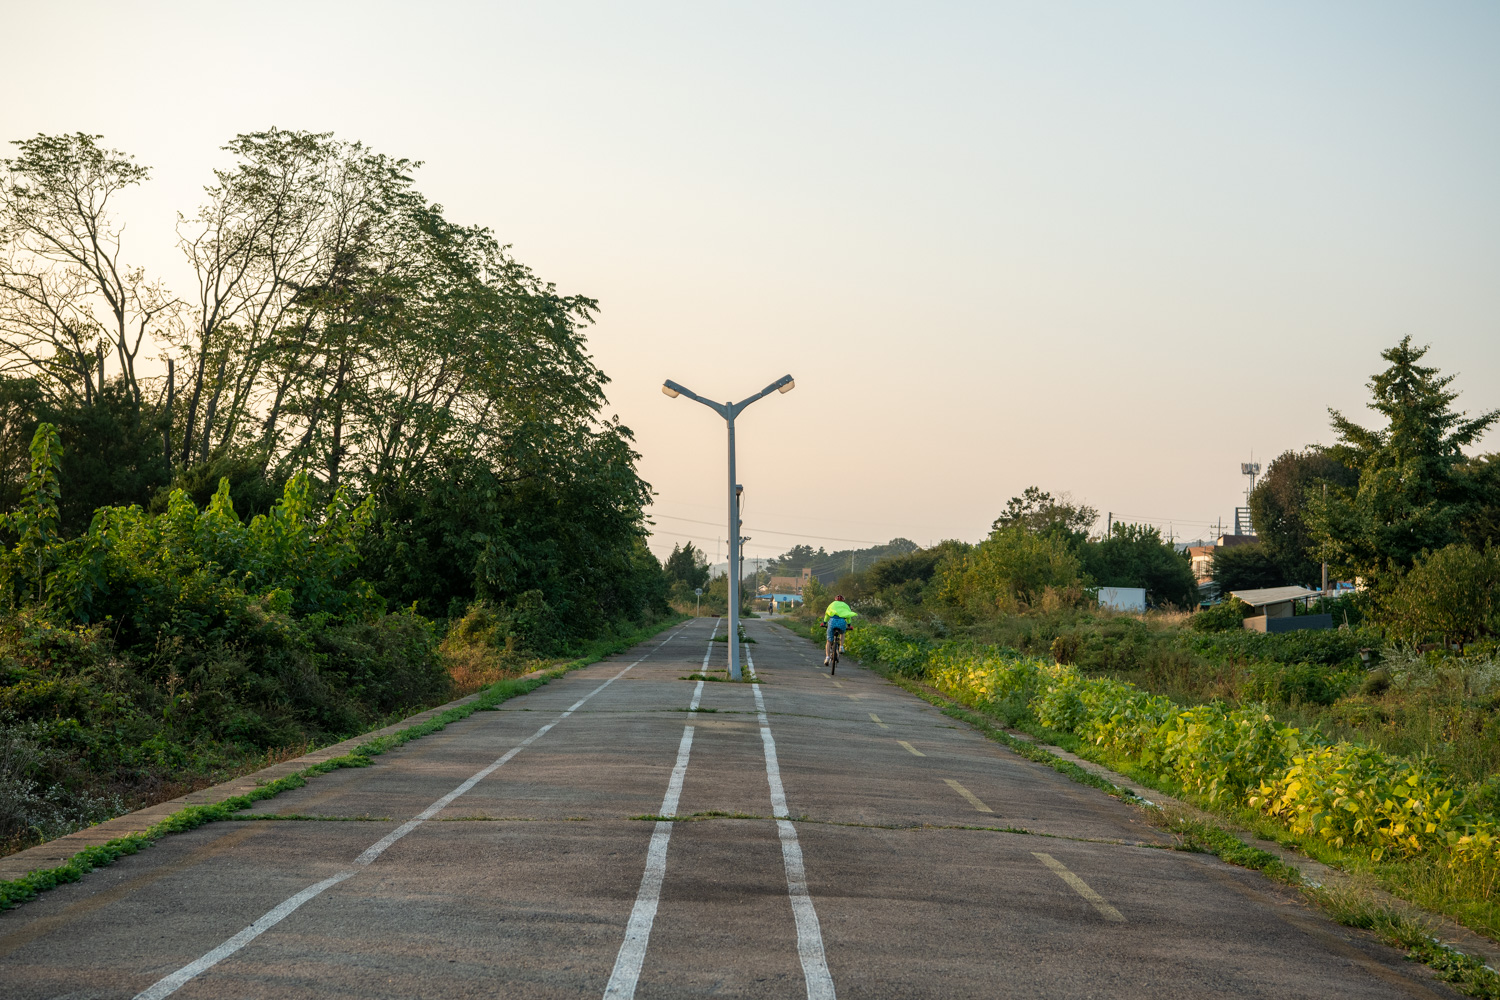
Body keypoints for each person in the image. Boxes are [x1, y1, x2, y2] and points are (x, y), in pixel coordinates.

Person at [821, 595, 857, 670]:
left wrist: (824, 623)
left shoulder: (831, 604)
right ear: (843, 600)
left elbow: (827, 614)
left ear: (835, 600)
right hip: (842, 622)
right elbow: (848, 616)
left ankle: (827, 658)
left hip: (832, 622)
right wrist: (849, 625)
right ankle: (841, 647)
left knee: (828, 641)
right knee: (842, 633)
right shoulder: (846, 605)